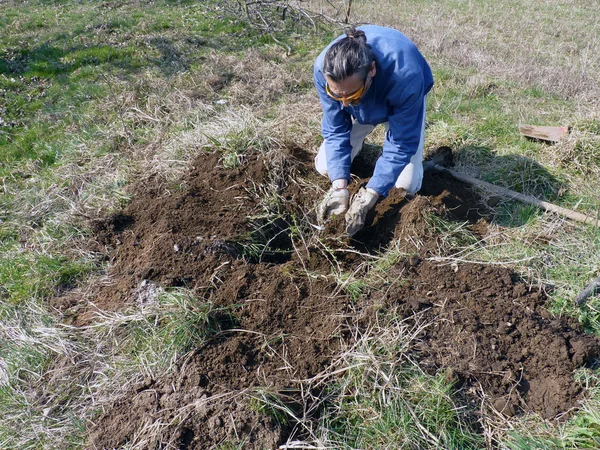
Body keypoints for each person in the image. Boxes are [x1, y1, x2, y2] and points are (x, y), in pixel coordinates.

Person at [314, 25, 434, 235]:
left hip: (397, 99)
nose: (343, 104)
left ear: (371, 70)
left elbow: (402, 142)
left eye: (350, 96)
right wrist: (340, 187)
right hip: (364, 101)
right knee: (326, 167)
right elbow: (335, 129)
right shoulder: (325, 71)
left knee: (405, 186)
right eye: (336, 96)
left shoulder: (406, 77)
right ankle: (364, 146)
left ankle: (386, 160)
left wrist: (372, 192)